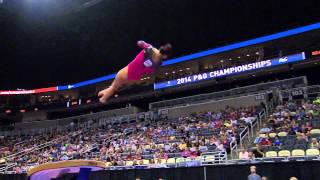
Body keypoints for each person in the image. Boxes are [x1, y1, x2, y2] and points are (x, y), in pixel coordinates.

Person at [98, 40, 172, 103]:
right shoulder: (157, 63)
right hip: (132, 76)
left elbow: (139, 43)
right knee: (114, 87)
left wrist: (143, 45)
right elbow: (151, 72)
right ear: (165, 56)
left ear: (161, 48)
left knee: (114, 87)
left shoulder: (150, 49)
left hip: (127, 72)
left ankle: (103, 97)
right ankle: (102, 95)